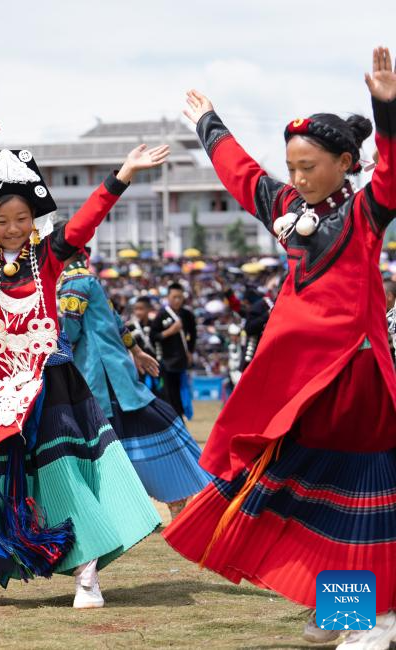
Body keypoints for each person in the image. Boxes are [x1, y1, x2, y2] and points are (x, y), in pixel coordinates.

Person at [164, 49, 396, 648]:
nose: (297, 177)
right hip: (294, 386)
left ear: (347, 163)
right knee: (297, 490)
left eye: (310, 166)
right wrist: (209, 124)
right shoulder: (287, 208)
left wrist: (387, 106)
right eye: (291, 166)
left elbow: (392, 172)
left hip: (352, 378)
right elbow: (241, 174)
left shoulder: (365, 214)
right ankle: (348, 607)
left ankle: (366, 618)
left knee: (356, 496)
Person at [0, 121, 166, 606]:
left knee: (60, 471)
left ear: (33, 219)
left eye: (21, 218)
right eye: (2, 220)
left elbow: (88, 219)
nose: (11, 228)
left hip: (44, 379)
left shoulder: (48, 257)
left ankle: (87, 572)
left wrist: (122, 175)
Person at [60, 251, 210, 519]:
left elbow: (70, 332)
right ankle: (164, 497)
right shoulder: (89, 280)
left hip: (99, 374)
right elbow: (117, 322)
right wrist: (137, 352)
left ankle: (164, 495)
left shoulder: (73, 283)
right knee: (130, 431)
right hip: (111, 370)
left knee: (110, 436)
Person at [150, 282, 196, 418]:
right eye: (174, 297)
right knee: (169, 395)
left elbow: (193, 334)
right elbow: (153, 336)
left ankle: (181, 419)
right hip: (167, 361)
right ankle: (174, 421)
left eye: (180, 297)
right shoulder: (161, 315)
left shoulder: (187, 315)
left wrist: (191, 351)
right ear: (168, 298)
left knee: (182, 394)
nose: (177, 300)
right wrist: (170, 331)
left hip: (182, 361)